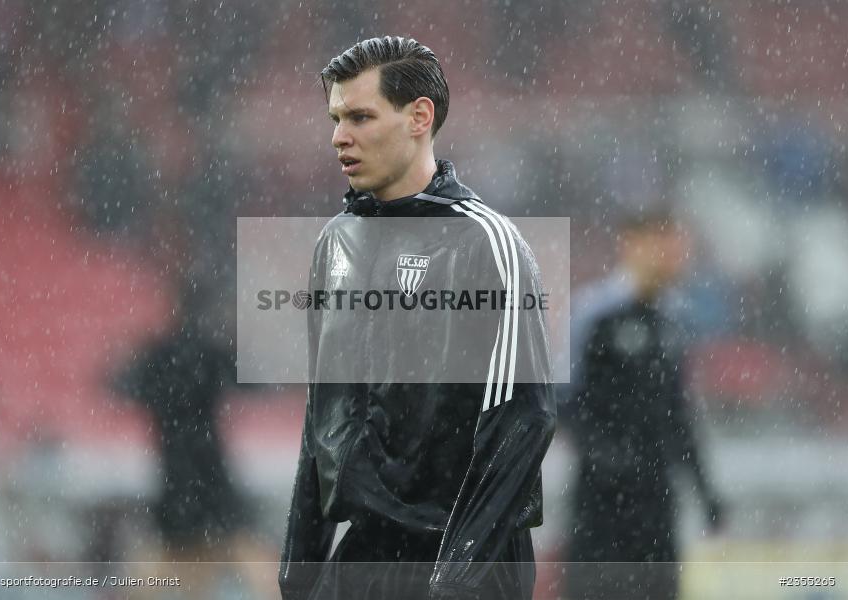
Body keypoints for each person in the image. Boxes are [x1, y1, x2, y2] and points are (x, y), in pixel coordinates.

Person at [278, 37, 557, 600]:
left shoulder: (486, 242)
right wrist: (299, 569)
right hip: (365, 553)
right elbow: (323, 412)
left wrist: (455, 580)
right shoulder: (336, 245)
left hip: (466, 562)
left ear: (419, 118)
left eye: (360, 116)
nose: (339, 136)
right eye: (335, 118)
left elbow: (523, 419)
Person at [559, 212, 725, 600]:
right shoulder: (594, 313)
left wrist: (703, 489)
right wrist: (603, 454)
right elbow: (561, 398)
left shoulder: (674, 318)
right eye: (662, 243)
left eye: (678, 245)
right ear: (630, 245)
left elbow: (679, 412)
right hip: (601, 502)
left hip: (657, 499)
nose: (674, 255)